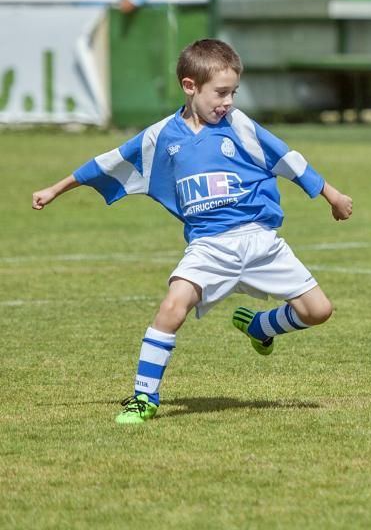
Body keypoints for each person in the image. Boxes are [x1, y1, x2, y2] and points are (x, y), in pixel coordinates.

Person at [31, 39, 353, 424]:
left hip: (260, 240)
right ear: (190, 86)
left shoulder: (241, 126)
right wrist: (55, 188)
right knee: (172, 307)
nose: (228, 101)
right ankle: (143, 398)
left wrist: (331, 195)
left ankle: (259, 326)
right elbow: (106, 163)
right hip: (209, 246)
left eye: (233, 92)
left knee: (319, 311)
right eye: (220, 93)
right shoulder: (160, 137)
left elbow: (288, 159)